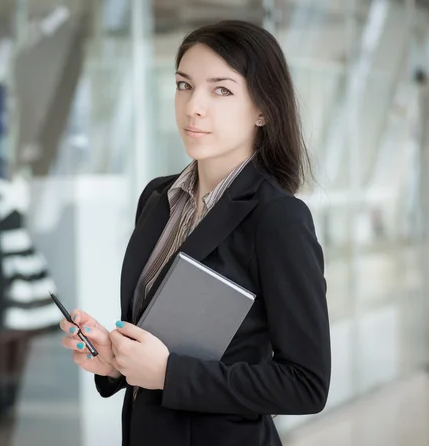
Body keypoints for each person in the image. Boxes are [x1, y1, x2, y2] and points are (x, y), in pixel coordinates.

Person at [59, 19, 331, 446]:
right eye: (184, 85)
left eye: (220, 90)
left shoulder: (278, 218)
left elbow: (306, 384)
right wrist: (116, 360)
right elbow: (159, 337)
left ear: (263, 109)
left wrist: (170, 374)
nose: (193, 107)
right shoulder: (157, 197)